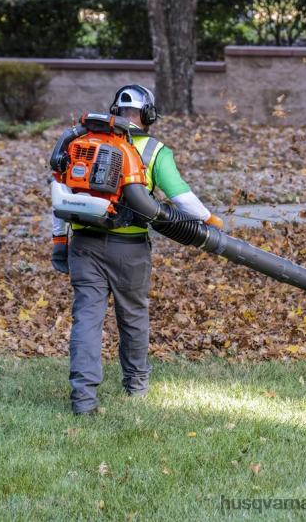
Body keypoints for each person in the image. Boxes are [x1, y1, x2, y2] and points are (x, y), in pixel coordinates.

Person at [50, 85, 223, 416]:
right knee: (132, 316)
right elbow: (181, 198)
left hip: (83, 244)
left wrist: (60, 242)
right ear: (148, 115)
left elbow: (59, 192)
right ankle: (136, 386)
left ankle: (83, 400)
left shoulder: (80, 141)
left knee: (86, 318)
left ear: (114, 110)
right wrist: (209, 220)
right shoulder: (155, 150)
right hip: (129, 249)